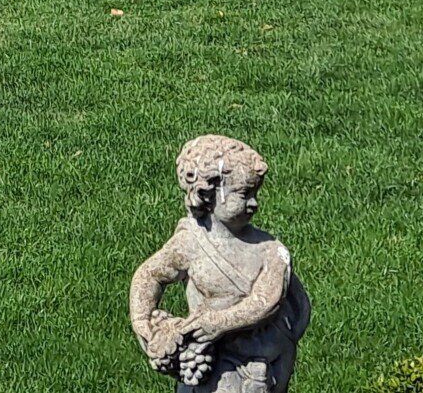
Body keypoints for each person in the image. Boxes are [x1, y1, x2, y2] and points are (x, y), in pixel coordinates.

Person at [128, 135, 312, 393]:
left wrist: (219, 323)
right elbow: (149, 275)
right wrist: (144, 323)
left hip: (263, 362)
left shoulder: (270, 250)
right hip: (211, 364)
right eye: (244, 194)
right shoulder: (190, 242)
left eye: (255, 193)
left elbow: (266, 301)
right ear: (208, 194)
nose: (254, 203)